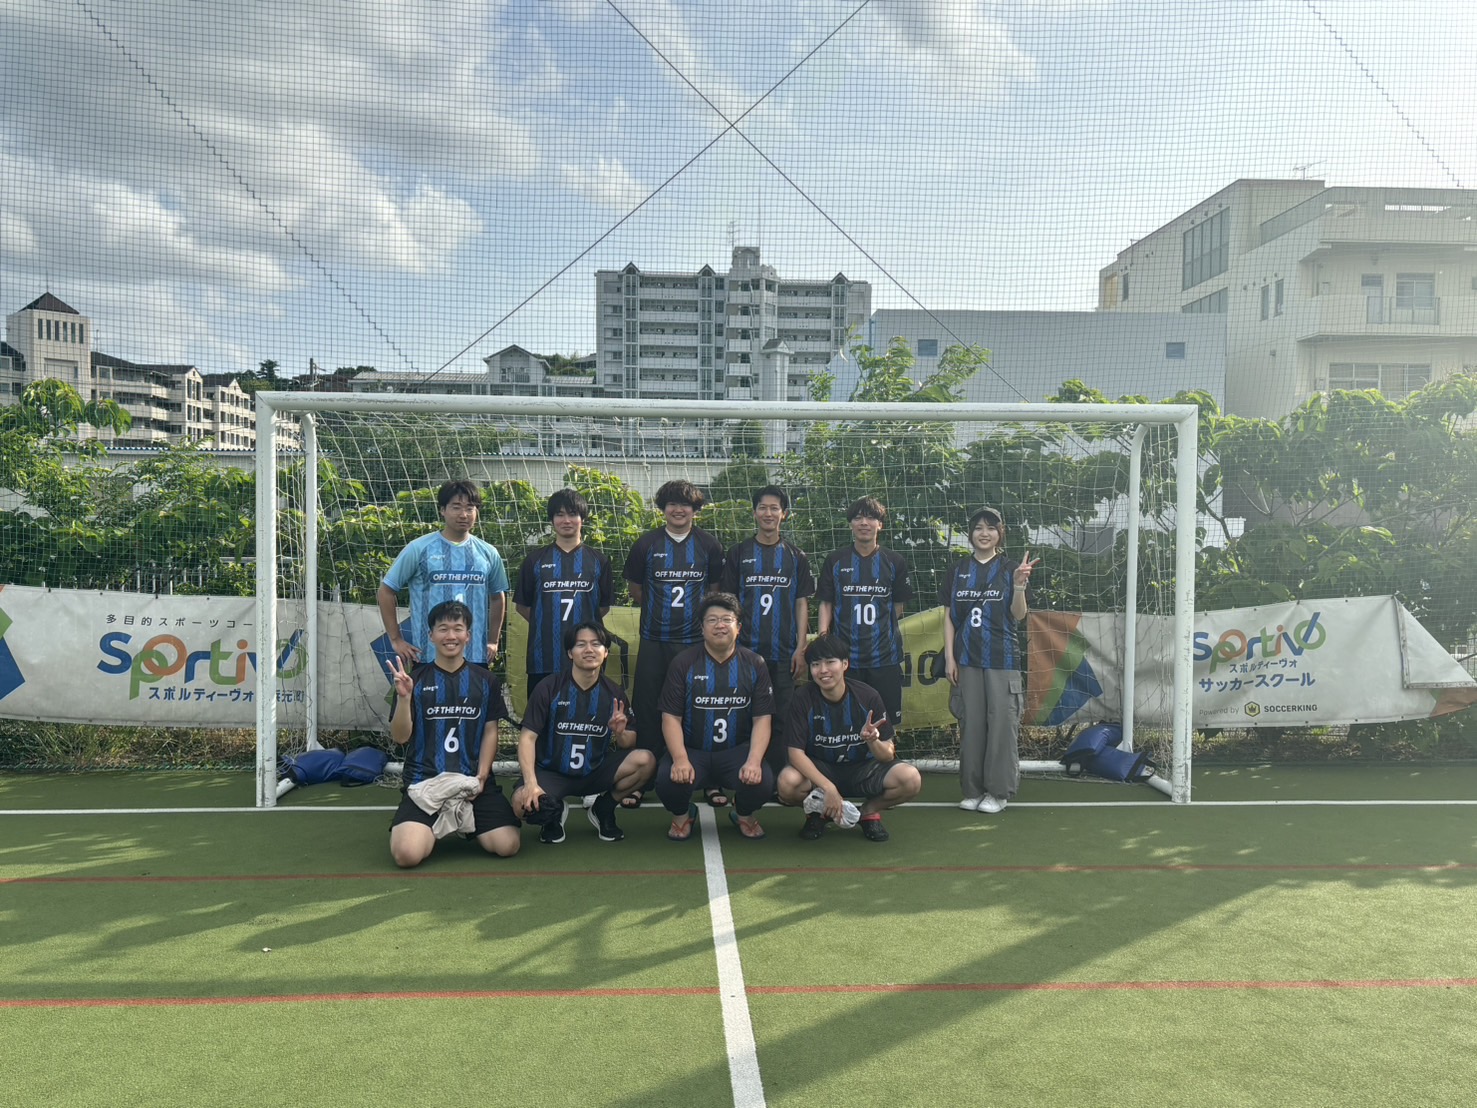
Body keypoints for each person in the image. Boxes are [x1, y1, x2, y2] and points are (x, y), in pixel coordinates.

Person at [387, 600, 520, 867]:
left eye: (458, 629)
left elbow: (490, 732)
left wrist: (481, 777)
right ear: (431, 636)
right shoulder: (416, 680)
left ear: (468, 635)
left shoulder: (485, 680)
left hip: (472, 781)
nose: (451, 636)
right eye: (443, 629)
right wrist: (404, 698)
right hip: (426, 782)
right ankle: (436, 820)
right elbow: (400, 737)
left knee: (507, 845)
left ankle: (462, 818)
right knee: (407, 855)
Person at [622, 479, 725, 808]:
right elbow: (636, 590)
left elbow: (714, 592)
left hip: (694, 643)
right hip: (654, 640)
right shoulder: (646, 544)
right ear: (663, 509)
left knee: (698, 709)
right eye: (672, 504)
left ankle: (706, 778)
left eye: (685, 504)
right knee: (649, 710)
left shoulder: (709, 545)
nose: (678, 510)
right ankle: (644, 778)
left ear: (695, 509)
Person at [511, 621, 653, 844]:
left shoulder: (614, 693)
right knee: (521, 805)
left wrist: (620, 732)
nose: (589, 650)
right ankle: (554, 812)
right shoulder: (549, 687)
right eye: (581, 644)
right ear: (570, 653)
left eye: (596, 644)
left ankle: (604, 808)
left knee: (646, 760)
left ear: (606, 652)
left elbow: (629, 743)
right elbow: (528, 738)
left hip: (595, 771)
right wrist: (531, 784)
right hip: (553, 773)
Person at [776, 633, 922, 843]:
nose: (823, 670)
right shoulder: (802, 698)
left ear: (845, 664)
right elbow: (795, 753)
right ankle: (819, 812)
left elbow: (888, 755)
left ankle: (867, 813)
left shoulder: (868, 696)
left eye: (830, 662)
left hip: (863, 769)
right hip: (822, 769)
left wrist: (873, 741)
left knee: (910, 779)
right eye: (816, 664)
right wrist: (828, 788)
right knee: (787, 783)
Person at [941, 507, 1038, 814]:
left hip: (1002, 659)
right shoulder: (958, 570)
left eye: (991, 528)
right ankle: (972, 789)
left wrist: (1019, 585)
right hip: (967, 659)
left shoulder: (1011, 568)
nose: (984, 533)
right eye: (979, 527)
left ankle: (998, 792)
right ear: (970, 533)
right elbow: (949, 617)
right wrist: (949, 658)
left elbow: (1019, 615)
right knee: (971, 725)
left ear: (1000, 533)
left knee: (1001, 726)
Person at [655, 592, 774, 842]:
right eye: (712, 620)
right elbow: (671, 718)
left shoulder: (755, 664)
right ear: (702, 628)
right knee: (667, 780)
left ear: (738, 627)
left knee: (762, 781)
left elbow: (762, 719)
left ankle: (743, 813)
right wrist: (680, 759)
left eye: (727, 619)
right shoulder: (683, 663)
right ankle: (683, 814)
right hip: (693, 750)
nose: (720, 625)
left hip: (735, 751)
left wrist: (754, 761)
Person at [722, 485, 815, 777]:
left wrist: (801, 648)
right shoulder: (738, 553)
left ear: (784, 514)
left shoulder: (796, 556)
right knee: (741, 714)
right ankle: (738, 773)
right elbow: (728, 604)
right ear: (754, 512)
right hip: (745, 653)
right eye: (763, 507)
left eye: (775, 508)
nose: (768, 513)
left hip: (783, 653)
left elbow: (801, 603)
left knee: (781, 717)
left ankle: (777, 777)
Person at [378, 479, 510, 668]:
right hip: (427, 657)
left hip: (474, 657)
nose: (463, 514)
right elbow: (386, 590)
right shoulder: (419, 548)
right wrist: (396, 639)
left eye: (470, 508)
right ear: (442, 510)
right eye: (456, 507)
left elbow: (497, 596)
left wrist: (493, 641)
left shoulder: (488, 553)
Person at [816, 496, 913, 726]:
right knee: (844, 722)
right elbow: (826, 603)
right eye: (858, 518)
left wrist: (878, 629)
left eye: (870, 518)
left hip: (884, 657)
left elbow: (898, 606)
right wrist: (824, 640)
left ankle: (884, 752)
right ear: (850, 524)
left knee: (885, 724)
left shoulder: (894, 561)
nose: (864, 523)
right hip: (845, 658)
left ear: (880, 524)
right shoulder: (836, 560)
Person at [514, 488, 613, 692]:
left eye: (572, 514)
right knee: (542, 710)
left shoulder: (599, 561)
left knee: (585, 709)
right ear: (552, 520)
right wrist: (546, 621)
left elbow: (602, 607)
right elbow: (523, 606)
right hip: (543, 658)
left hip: (587, 659)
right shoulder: (534, 560)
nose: (566, 520)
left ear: (582, 518)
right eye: (560, 514)